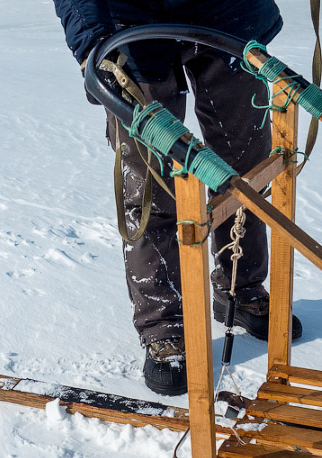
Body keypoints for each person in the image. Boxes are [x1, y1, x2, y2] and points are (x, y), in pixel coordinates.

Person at [53, 0, 301, 396]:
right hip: (129, 25)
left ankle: (242, 288)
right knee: (153, 182)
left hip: (226, 15)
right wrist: (92, 41)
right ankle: (164, 327)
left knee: (244, 169)